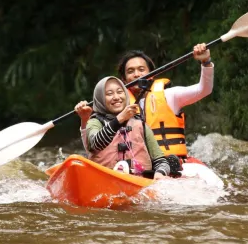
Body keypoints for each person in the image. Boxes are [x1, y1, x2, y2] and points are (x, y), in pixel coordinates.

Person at [75, 43, 213, 162]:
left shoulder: (169, 95)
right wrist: (84, 119)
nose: (136, 74)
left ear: (151, 74)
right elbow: (92, 145)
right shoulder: (113, 106)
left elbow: (203, 90)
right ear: (123, 80)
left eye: (141, 70)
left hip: (171, 162)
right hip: (136, 169)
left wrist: (206, 62)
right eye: (131, 71)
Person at [79, 76, 170, 179]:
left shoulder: (139, 123)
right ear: (100, 99)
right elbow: (96, 143)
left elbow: (161, 161)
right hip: (104, 180)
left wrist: (160, 173)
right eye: (109, 94)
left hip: (139, 183)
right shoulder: (94, 122)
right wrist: (119, 119)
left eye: (120, 92)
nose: (116, 97)